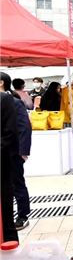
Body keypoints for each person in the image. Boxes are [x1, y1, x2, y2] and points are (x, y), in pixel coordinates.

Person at [1, 72, 32, 231]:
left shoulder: (14, 102)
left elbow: (24, 127)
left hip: (13, 153)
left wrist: (23, 152)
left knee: (16, 183)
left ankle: (22, 215)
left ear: (1, 83)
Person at [1, 91, 19, 242]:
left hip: (2, 167)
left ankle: (10, 245)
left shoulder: (4, 99)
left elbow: (11, 133)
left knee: (5, 214)